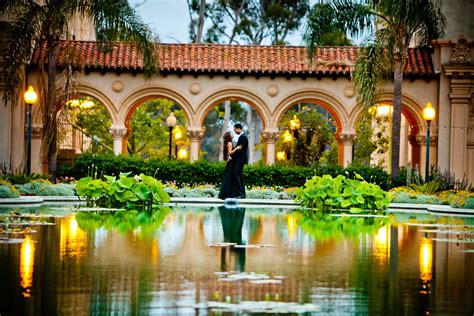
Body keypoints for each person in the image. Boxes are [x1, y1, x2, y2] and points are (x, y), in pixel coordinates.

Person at [218, 131, 242, 199]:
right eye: (231, 133)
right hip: (231, 163)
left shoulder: (230, 143)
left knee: (229, 178)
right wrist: (237, 148)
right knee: (230, 178)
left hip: (231, 162)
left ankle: (229, 194)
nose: (233, 134)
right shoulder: (229, 143)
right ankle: (229, 194)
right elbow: (229, 153)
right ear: (229, 136)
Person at [230, 123, 248, 198]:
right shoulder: (242, 137)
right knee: (239, 176)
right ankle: (241, 194)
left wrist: (231, 154)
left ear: (238, 128)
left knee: (236, 174)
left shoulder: (243, 137)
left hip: (239, 160)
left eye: (235, 130)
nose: (235, 131)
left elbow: (239, 150)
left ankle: (240, 194)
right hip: (240, 159)